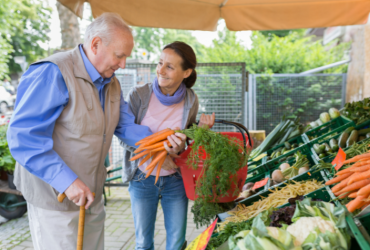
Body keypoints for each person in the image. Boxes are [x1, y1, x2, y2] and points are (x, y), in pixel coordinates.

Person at [7, 13, 185, 250]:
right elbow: (24, 138)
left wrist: (163, 141)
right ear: (95, 44)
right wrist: (67, 182)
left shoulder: (112, 83)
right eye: (119, 56)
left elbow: (125, 126)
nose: (123, 64)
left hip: (91, 196)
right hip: (54, 199)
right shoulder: (54, 72)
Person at [121, 41, 215, 250]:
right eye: (160, 63)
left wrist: (197, 133)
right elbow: (123, 136)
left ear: (186, 72)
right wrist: (160, 155)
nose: (160, 70)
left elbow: (185, 143)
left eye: (170, 67)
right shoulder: (138, 96)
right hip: (142, 177)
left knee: (176, 244)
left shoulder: (191, 100)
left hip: (175, 180)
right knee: (144, 243)